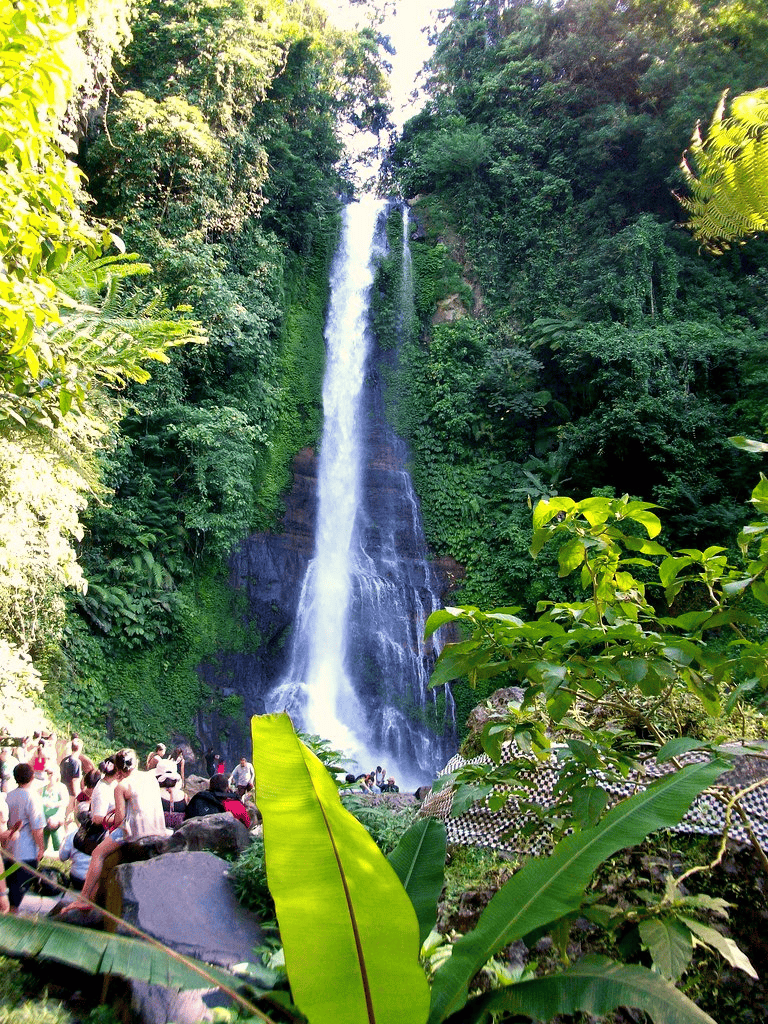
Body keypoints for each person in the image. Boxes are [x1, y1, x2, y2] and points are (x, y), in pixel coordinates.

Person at [62, 748, 167, 913]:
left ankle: (83, 898)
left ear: (118, 770)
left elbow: (119, 820)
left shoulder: (122, 786)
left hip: (136, 832)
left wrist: (103, 819)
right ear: (137, 763)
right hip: (159, 829)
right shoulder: (151, 778)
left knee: (98, 853)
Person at [4, 762, 45, 912]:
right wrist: (41, 848)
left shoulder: (8, 796)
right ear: (32, 776)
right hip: (25, 855)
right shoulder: (33, 797)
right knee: (15, 901)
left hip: (8, 853)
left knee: (7, 897)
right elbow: (37, 828)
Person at [58, 812, 92, 890]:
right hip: (97, 881)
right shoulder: (106, 835)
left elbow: (62, 857)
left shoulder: (73, 835)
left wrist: (65, 835)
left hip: (78, 880)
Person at [41, 766, 69, 851]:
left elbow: (65, 802)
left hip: (56, 820)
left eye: (51, 773)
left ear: (57, 775)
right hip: (44, 820)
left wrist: (53, 804)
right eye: (47, 773)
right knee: (42, 845)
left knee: (59, 845)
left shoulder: (61, 787)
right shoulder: (42, 788)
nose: (48, 776)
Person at [59, 743, 82, 824]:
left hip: (62, 789)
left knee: (63, 813)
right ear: (80, 748)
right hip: (71, 792)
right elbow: (75, 780)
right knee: (68, 816)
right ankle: (65, 834)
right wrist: (76, 795)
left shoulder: (64, 760)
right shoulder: (77, 762)